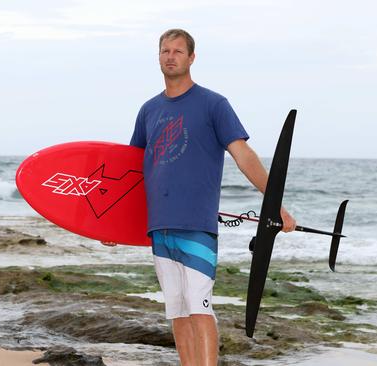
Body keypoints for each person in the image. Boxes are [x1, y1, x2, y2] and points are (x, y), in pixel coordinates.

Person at [104, 28, 296, 366]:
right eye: (165, 50)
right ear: (158, 56)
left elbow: (244, 156)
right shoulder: (149, 110)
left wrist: (276, 205)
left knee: (199, 305)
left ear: (192, 58)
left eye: (178, 51)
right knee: (177, 310)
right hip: (160, 226)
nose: (171, 56)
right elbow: (133, 174)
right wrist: (112, 225)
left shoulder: (213, 104)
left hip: (196, 224)